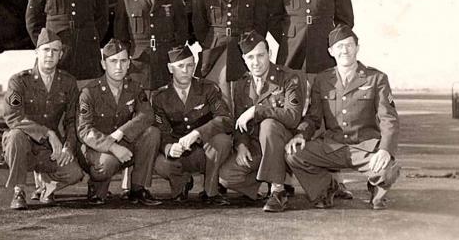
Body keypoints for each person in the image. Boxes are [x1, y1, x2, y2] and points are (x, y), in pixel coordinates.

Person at [268, 0, 355, 199]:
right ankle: (283, 180)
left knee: (329, 120)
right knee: (289, 116)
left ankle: (336, 180)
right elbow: (272, 18)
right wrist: (290, 39)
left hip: (323, 61)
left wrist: (331, 48)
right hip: (291, 61)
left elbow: (345, 21)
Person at [284, 25, 400, 210]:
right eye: (339, 46)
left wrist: (385, 150)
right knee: (294, 155)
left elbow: (389, 119)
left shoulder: (376, 78)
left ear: (357, 47)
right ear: (331, 51)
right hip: (334, 146)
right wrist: (300, 135)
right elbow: (313, 118)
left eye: (349, 45)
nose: (344, 50)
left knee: (388, 169)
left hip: (365, 147)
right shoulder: (322, 80)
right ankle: (325, 189)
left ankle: (376, 187)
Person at [218, 30, 304, 212]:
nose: (255, 62)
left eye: (260, 55)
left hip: (285, 145)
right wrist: (241, 145)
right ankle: (266, 181)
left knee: (268, 124)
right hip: (259, 147)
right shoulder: (242, 84)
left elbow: (293, 117)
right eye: (250, 57)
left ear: (269, 54)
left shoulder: (289, 77)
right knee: (226, 177)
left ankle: (277, 191)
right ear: (243, 59)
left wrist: (257, 110)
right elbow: (240, 122)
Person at [1, 28, 84, 210]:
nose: (50, 55)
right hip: (23, 147)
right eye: (46, 49)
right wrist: (47, 133)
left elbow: (72, 119)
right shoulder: (19, 81)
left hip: (48, 150)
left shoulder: (68, 83)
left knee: (75, 174)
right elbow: (13, 116)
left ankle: (47, 187)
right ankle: (19, 190)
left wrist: (69, 147)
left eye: (55, 50)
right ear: (37, 52)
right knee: (16, 136)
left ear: (61, 55)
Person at [77, 39, 162, 205]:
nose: (118, 67)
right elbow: (84, 131)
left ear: (129, 63)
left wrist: (120, 133)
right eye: (113, 61)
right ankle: (96, 187)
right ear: (103, 64)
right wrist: (112, 146)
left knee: (152, 133)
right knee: (105, 166)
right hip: (96, 149)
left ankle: (138, 189)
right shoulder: (89, 92)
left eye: (123, 61)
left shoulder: (135, 88)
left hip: (124, 144)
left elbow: (147, 115)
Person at [151, 46, 233, 205]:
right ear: (170, 68)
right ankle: (181, 184)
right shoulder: (160, 97)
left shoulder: (208, 89)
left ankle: (211, 192)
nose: (185, 70)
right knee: (159, 163)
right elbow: (161, 131)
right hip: (179, 155)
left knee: (222, 140)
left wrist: (198, 133)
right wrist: (169, 147)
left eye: (189, 65)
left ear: (194, 66)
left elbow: (225, 118)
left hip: (204, 153)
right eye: (180, 66)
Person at [191, 0, 267, 105]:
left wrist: (250, 45)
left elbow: (261, 25)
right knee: (214, 99)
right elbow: (199, 26)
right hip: (215, 53)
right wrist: (213, 41)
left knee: (247, 98)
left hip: (245, 51)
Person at [114, 0, 188, 91]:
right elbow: (120, 37)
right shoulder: (126, 1)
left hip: (166, 64)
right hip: (138, 68)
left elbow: (182, 34)